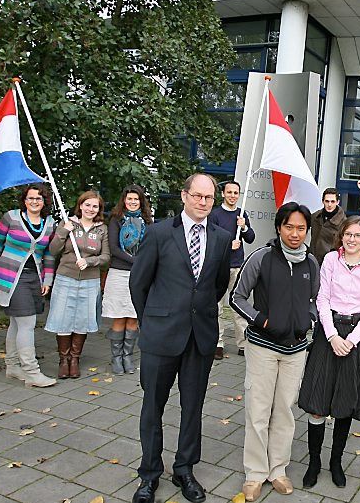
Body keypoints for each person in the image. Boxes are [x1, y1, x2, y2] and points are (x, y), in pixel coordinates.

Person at [129, 173, 232, 503]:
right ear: (185, 196)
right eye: (198, 196)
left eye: (209, 198)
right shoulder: (160, 233)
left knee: (193, 408)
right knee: (152, 407)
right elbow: (138, 284)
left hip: (200, 337)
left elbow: (216, 286)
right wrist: (152, 320)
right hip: (161, 335)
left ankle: (184, 469)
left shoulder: (220, 237)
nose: (203, 202)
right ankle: (149, 474)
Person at [230, 203, 320, 502]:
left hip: (296, 350)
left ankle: (278, 470)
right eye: (289, 227)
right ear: (279, 227)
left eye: (301, 228)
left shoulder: (311, 262)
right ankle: (255, 474)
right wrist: (261, 320)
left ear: (307, 230)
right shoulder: (262, 257)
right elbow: (237, 296)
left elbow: (317, 300)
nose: (295, 234)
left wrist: (309, 319)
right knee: (258, 411)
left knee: (284, 411)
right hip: (262, 348)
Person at [298, 216, 360, 489]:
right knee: (318, 402)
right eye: (348, 234)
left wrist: (352, 340)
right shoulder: (331, 260)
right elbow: (321, 299)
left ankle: (336, 462)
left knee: (345, 402)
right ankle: (314, 462)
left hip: (356, 337)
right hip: (329, 332)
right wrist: (333, 335)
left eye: (358, 235)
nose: (352, 239)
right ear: (341, 236)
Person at [0, 184, 57, 387]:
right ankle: (32, 372)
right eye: (30, 198)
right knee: (27, 323)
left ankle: (12, 366)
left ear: (44, 202)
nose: (34, 202)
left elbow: (48, 254)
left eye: (39, 198)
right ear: (24, 200)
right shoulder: (11, 217)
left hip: (34, 277)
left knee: (16, 323)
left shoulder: (49, 223)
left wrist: (47, 280)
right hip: (10, 276)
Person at [45, 191, 110, 379]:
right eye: (87, 205)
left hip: (90, 281)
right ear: (81, 205)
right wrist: (63, 231)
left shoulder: (101, 229)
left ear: (99, 209)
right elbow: (53, 250)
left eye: (95, 206)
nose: (91, 209)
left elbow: (106, 257)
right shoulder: (69, 223)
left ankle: (75, 359)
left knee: (82, 320)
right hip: (66, 277)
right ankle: (63, 359)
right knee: (63, 319)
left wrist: (90, 262)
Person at [103, 185, 153, 375]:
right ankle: (116, 358)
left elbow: (150, 246)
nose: (132, 202)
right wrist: (136, 261)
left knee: (133, 317)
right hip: (119, 273)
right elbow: (114, 248)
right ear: (124, 201)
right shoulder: (116, 220)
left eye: (136, 199)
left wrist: (143, 264)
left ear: (141, 202)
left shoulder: (148, 221)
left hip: (139, 275)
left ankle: (127, 356)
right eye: (129, 199)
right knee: (119, 316)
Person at [208, 180, 254, 359]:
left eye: (236, 193)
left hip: (237, 266)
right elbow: (211, 240)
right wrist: (228, 245)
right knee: (217, 307)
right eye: (230, 192)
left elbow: (250, 238)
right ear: (223, 194)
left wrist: (244, 226)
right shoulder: (215, 215)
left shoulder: (241, 214)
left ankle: (242, 343)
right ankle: (217, 343)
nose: (233, 196)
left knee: (237, 305)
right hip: (219, 266)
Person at [310, 187, 346, 261]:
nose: (329, 204)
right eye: (327, 201)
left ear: (337, 202)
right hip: (313, 259)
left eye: (332, 201)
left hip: (331, 262)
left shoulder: (344, 223)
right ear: (323, 201)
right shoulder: (315, 217)